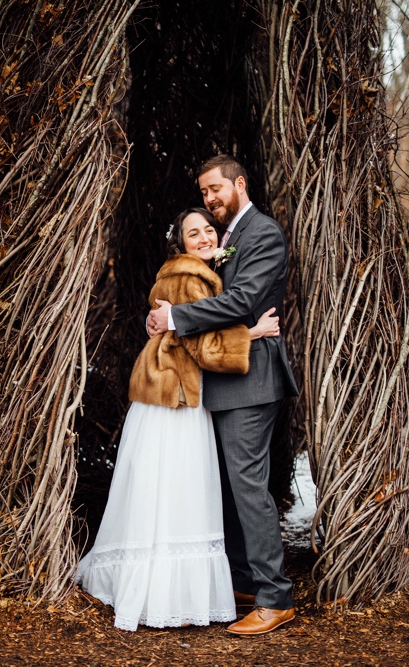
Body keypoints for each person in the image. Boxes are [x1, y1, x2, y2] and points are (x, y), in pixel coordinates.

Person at [76, 208, 281, 632]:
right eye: (194, 233)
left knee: (161, 492)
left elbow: (181, 331)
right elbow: (201, 347)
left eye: (209, 230)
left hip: (164, 397)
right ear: (180, 242)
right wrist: (254, 333)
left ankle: (161, 585)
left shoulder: (186, 274)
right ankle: (166, 592)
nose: (205, 238)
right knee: (177, 492)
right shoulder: (190, 277)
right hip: (176, 398)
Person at [147, 155, 300, 636]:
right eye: (204, 192)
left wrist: (176, 319)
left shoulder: (262, 234)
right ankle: (244, 583)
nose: (210, 198)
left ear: (239, 181)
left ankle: (276, 598)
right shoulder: (225, 241)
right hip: (223, 378)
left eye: (216, 189)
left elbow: (242, 301)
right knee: (232, 488)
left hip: (252, 381)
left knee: (250, 488)